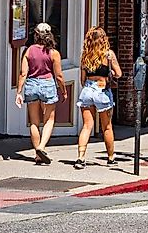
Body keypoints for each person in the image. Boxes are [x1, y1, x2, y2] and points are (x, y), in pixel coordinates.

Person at [14, 24, 66, 164]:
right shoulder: (53, 53)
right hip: (47, 84)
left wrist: (19, 91)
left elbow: (23, 73)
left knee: (34, 122)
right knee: (49, 119)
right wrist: (64, 91)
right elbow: (59, 75)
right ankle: (41, 147)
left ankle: (37, 154)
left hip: (31, 84)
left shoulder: (29, 50)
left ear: (36, 35)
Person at [75, 26, 122, 169]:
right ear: (103, 39)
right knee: (106, 127)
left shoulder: (85, 55)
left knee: (87, 126)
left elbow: (82, 80)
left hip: (88, 90)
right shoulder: (108, 55)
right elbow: (118, 73)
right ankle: (111, 157)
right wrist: (110, 74)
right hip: (102, 90)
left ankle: (81, 157)